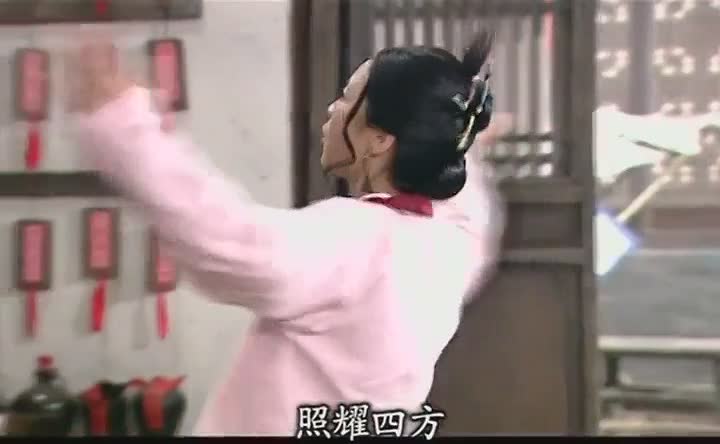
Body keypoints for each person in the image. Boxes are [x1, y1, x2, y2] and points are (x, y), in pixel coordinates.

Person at [64, 32, 507, 436]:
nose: (334, 109)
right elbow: (468, 204)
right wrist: (457, 141)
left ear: (379, 140)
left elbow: (227, 240)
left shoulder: (355, 240)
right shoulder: (451, 245)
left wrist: (124, 124)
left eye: (349, 99)